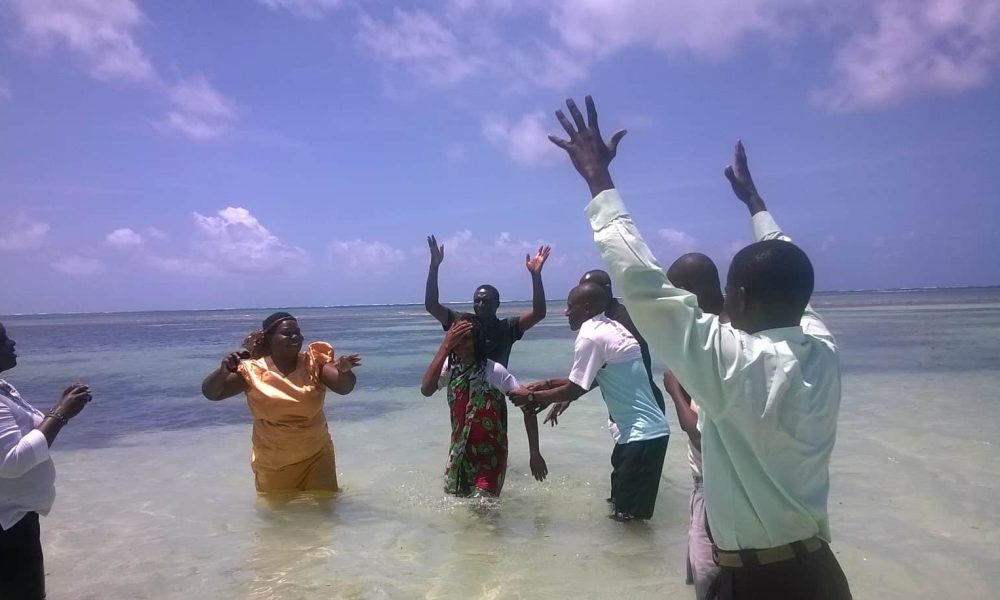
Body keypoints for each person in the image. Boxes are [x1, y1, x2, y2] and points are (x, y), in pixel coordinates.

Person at [543, 95, 851, 598]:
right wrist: (757, 207)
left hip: (760, 583)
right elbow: (790, 265)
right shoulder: (822, 349)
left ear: (742, 298)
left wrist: (598, 181)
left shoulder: (733, 364)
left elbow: (645, 284)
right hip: (821, 575)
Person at [510, 283, 669, 521]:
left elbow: (575, 389)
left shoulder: (590, 336)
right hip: (638, 436)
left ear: (586, 308)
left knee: (628, 522)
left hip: (642, 437)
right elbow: (595, 378)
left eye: (569, 307)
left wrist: (531, 397)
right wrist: (546, 385)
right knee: (618, 511)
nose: (565, 313)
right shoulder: (612, 327)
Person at [200, 312, 361, 495]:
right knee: (279, 518)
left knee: (324, 515)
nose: (295, 337)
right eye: (287, 333)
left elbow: (343, 387)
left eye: (297, 332)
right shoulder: (252, 371)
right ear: (270, 337)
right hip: (273, 460)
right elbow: (212, 393)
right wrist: (222, 372)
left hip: (317, 455)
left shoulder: (314, 363)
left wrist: (345, 371)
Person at [0, 321, 93, 599]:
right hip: (7, 526)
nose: (12, 343)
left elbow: (25, 433)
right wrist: (61, 414)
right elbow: (11, 462)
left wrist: (58, 408)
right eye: (4, 339)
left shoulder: (4, 387)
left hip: (16, 519)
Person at [420, 318, 547, 497]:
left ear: (477, 341)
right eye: (456, 339)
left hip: (491, 457)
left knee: (483, 510)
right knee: (461, 515)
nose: (459, 344)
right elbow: (426, 389)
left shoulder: (494, 372)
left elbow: (527, 405)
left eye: (466, 339)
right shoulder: (451, 370)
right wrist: (445, 347)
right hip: (459, 454)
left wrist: (534, 452)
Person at [663, 253, 726, 600]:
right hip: (710, 483)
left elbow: (700, 435)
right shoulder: (720, 332)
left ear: (690, 291)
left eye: (675, 292)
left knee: (710, 580)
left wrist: (673, 388)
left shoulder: (715, 342)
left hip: (715, 485)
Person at [424, 235, 550, 367]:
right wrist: (434, 267)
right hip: (464, 386)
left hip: (496, 386)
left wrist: (536, 276)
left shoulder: (507, 328)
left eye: (486, 301)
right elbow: (432, 305)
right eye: (477, 300)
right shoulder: (463, 323)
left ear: (497, 304)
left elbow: (539, 313)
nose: (480, 305)